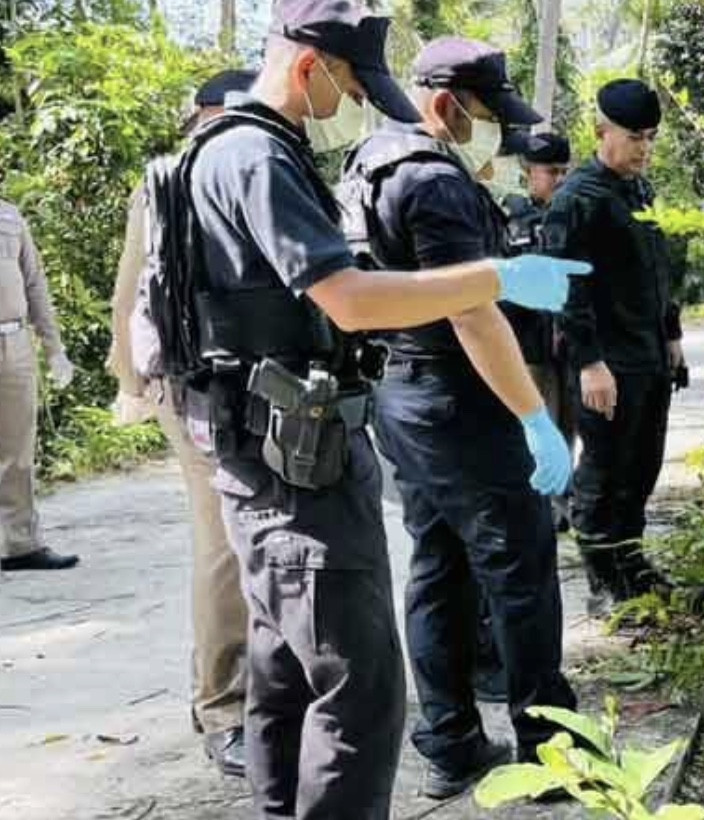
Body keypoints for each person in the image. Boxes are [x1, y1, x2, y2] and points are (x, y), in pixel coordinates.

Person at [155, 2, 586, 816]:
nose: (356, 108)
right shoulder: (257, 156)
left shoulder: (248, 149)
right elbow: (350, 300)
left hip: (281, 444)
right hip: (297, 461)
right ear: (312, 67)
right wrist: (498, 279)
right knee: (358, 687)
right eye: (354, 89)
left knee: (287, 671)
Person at [338, 37, 577, 799]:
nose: (497, 134)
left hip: (403, 394)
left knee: (438, 566)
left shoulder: (371, 161)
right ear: (444, 104)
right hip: (457, 396)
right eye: (487, 114)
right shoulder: (434, 181)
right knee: (520, 570)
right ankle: (549, 753)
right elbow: (471, 314)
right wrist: (535, 418)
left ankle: (450, 742)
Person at [108, 67, 255, 780]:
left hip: (220, 377)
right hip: (194, 382)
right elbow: (133, 286)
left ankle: (237, 691)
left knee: (244, 533)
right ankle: (224, 707)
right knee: (224, 538)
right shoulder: (178, 178)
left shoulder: (224, 168)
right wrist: (132, 380)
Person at [543, 79, 685, 603]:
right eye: (634, 137)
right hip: (607, 362)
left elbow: (658, 271)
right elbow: (565, 288)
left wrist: (672, 334)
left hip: (648, 354)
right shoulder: (578, 199)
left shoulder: (640, 191)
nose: (644, 148)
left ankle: (630, 563)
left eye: (650, 138)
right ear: (601, 132)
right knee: (604, 471)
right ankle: (603, 579)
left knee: (641, 465)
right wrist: (589, 363)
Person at [503, 131, 576, 531]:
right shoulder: (510, 216)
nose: (559, 179)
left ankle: (560, 504)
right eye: (552, 171)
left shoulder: (575, 213)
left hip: (570, 343)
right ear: (529, 171)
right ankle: (537, 507)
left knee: (568, 425)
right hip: (528, 344)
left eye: (565, 171)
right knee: (537, 423)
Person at [0, 198, 77, 572]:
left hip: (13, 343)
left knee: (18, 451)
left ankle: (20, 545)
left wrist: (54, 349)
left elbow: (34, 284)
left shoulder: (10, 216)